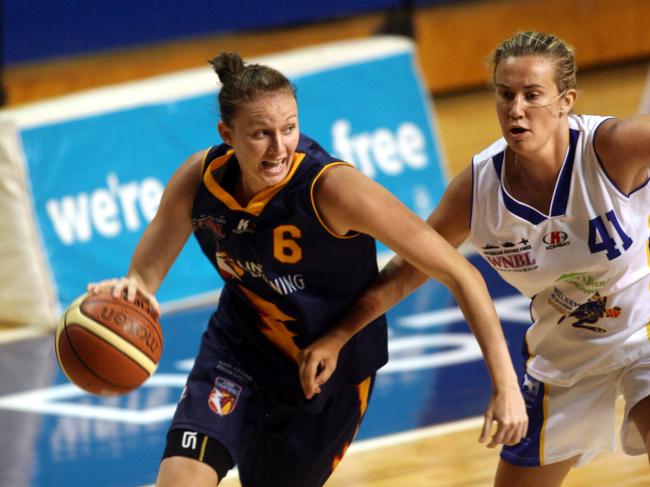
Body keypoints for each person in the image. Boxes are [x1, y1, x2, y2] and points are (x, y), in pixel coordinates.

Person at [89, 52, 526, 487]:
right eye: (261, 134)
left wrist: (506, 387)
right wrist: (128, 293)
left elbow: (461, 273)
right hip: (239, 348)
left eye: (289, 129)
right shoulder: (198, 181)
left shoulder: (333, 190)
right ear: (227, 134)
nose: (280, 148)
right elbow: (143, 279)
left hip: (328, 375)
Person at [299, 31, 650, 487]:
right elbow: (408, 269)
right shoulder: (478, 189)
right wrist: (339, 335)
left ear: (566, 101)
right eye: (505, 94)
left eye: (532, 95)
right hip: (565, 354)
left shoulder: (616, 147)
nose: (515, 109)